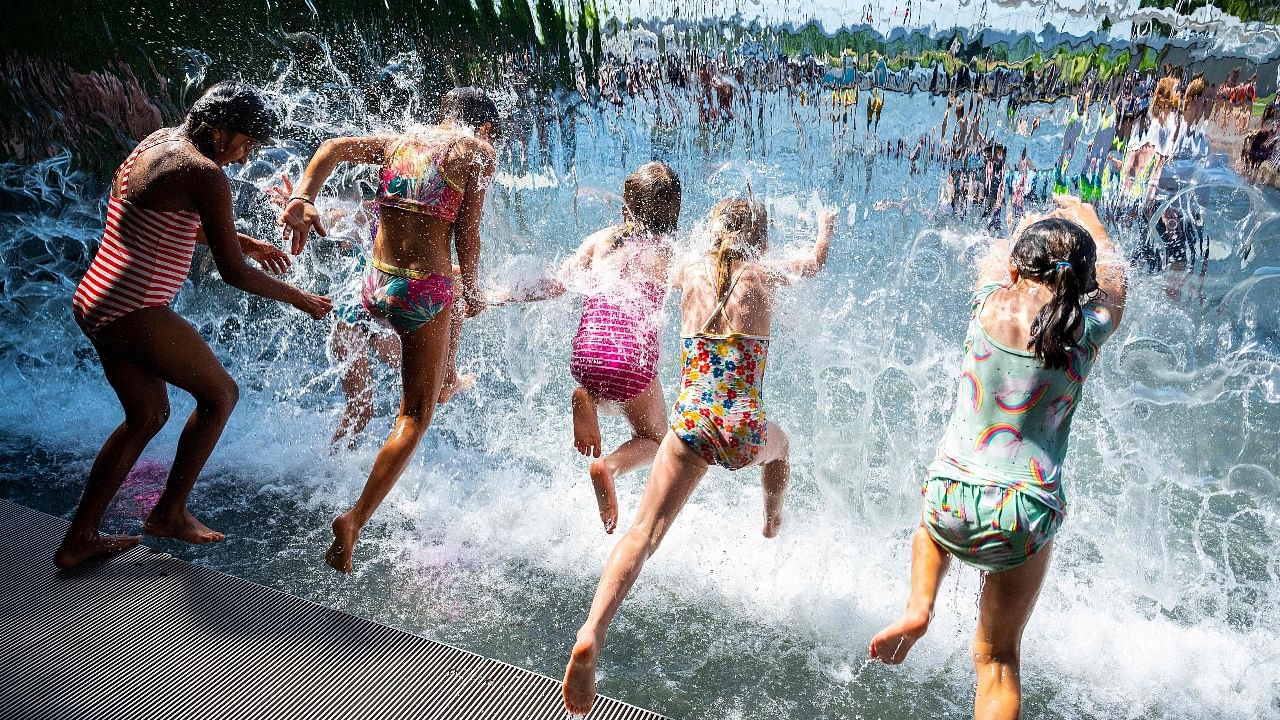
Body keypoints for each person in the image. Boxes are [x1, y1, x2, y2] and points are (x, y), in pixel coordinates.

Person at [560, 199, 837, 715]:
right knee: (782, 449)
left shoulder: (687, 271)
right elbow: (814, 264)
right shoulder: (765, 273)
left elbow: (634, 279)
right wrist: (824, 229)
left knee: (642, 534)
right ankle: (773, 518)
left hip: (689, 429)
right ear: (760, 239)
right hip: (740, 432)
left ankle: (593, 629)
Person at [55, 81, 333, 569]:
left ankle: (80, 537)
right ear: (218, 130)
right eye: (245, 145)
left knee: (146, 417)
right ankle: (169, 512)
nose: (245, 160)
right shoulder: (204, 172)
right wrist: (303, 300)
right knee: (220, 395)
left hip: (97, 296)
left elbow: (181, 223)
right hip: (135, 306)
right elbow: (233, 273)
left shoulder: (161, 143)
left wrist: (247, 242)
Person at [869, 195, 1127, 720]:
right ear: (1083, 281)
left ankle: (919, 607)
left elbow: (995, 258)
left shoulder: (988, 303)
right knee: (998, 660)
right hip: (1025, 511)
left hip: (950, 496)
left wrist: (1026, 224)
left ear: (1015, 268)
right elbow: (1117, 281)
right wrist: (1091, 222)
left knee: (928, 533)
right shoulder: (1088, 329)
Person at [278, 87, 499, 573]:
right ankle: (355, 519)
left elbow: (333, 148)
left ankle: (447, 377)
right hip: (422, 291)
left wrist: (301, 198)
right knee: (415, 415)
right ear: (483, 127)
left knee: (445, 313)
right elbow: (468, 234)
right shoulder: (477, 153)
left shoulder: (401, 140)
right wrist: (478, 289)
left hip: (376, 285)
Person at [497, 162, 682, 533]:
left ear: (627, 204)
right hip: (630, 361)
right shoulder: (670, 253)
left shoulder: (600, 240)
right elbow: (702, 288)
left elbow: (557, 284)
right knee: (656, 437)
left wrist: (499, 295)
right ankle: (608, 467)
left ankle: (588, 397)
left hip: (587, 353)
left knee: (606, 381)